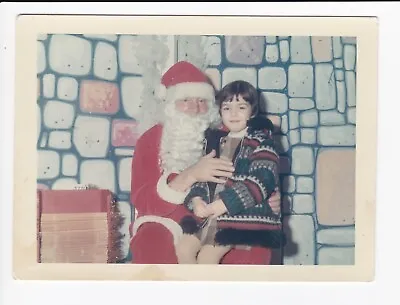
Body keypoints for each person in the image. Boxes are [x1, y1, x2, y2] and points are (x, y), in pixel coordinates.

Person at [129, 61, 282, 264]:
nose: (195, 108)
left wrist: (271, 196)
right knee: (152, 241)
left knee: (248, 249)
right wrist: (189, 176)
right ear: (169, 104)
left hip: (224, 213)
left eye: (202, 101)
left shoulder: (228, 135)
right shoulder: (150, 140)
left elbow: (259, 172)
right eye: (186, 100)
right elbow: (141, 198)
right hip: (168, 217)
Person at [175, 80, 285, 264]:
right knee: (183, 249)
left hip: (240, 217)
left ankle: (211, 293)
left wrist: (223, 205)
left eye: (241, 107)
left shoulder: (262, 142)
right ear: (220, 112)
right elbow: (203, 180)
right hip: (211, 216)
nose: (233, 114)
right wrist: (197, 201)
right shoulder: (216, 143)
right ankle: (192, 292)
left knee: (207, 257)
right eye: (227, 108)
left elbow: (260, 182)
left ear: (253, 112)